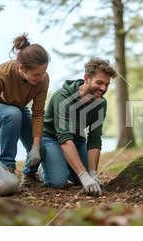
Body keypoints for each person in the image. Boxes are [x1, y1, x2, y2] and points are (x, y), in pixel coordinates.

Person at [0, 33, 50, 187]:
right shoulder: (2, 73)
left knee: (41, 148)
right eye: (36, 74)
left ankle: (29, 175)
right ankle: (6, 168)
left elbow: (38, 113)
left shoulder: (43, 79)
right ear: (22, 68)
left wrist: (35, 147)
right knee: (12, 114)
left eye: (43, 72)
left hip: (17, 110)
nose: (41, 78)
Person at [40, 57, 117, 196]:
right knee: (58, 182)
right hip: (51, 138)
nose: (103, 88)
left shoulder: (100, 103)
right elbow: (63, 138)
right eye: (99, 83)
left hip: (76, 139)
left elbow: (94, 138)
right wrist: (83, 175)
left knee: (79, 179)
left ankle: (64, 164)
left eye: (107, 84)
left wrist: (92, 174)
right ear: (87, 78)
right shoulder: (62, 97)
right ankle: (44, 167)